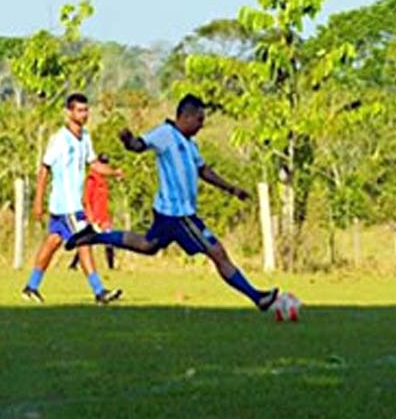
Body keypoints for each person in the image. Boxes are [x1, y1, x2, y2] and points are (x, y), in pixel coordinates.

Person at [67, 94, 280, 311]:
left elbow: (203, 170)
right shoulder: (166, 134)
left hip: (170, 213)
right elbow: (140, 144)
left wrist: (231, 189)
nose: (201, 125)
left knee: (147, 245)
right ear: (185, 117)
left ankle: (93, 236)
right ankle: (257, 297)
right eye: (199, 119)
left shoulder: (189, 144)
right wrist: (128, 141)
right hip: (179, 215)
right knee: (217, 253)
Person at [21, 93, 124, 305]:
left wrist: (113, 172)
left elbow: (93, 164)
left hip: (68, 206)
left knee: (52, 243)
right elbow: (43, 169)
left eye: (86, 110)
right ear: (69, 113)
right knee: (84, 242)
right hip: (67, 206)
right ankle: (99, 292)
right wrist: (37, 201)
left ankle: (31, 287)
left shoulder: (85, 137)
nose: (84, 115)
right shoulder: (60, 139)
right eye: (79, 110)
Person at [69, 153, 119, 271]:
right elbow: (86, 199)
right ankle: (73, 264)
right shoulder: (91, 179)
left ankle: (111, 267)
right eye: (102, 163)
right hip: (94, 217)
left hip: (103, 216)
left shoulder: (103, 179)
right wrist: (90, 216)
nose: (104, 166)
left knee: (109, 239)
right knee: (88, 241)